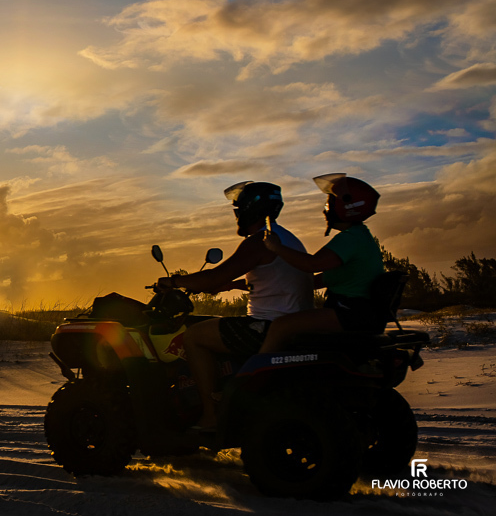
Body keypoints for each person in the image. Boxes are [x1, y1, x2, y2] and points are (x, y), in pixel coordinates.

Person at [155, 181, 313, 431]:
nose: (236, 215)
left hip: (265, 326)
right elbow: (274, 279)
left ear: (249, 210)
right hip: (290, 323)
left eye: (237, 209)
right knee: (210, 326)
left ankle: (211, 416)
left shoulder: (258, 241)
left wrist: (173, 282)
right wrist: (232, 286)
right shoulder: (285, 238)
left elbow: (216, 276)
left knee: (193, 336)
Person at [258, 174, 385, 352]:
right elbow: (327, 277)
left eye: (330, 202)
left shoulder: (350, 239)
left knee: (280, 326)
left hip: (350, 313)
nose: (326, 209)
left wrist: (276, 247)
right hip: (357, 312)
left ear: (348, 205)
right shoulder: (360, 237)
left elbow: (311, 265)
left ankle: (256, 374)